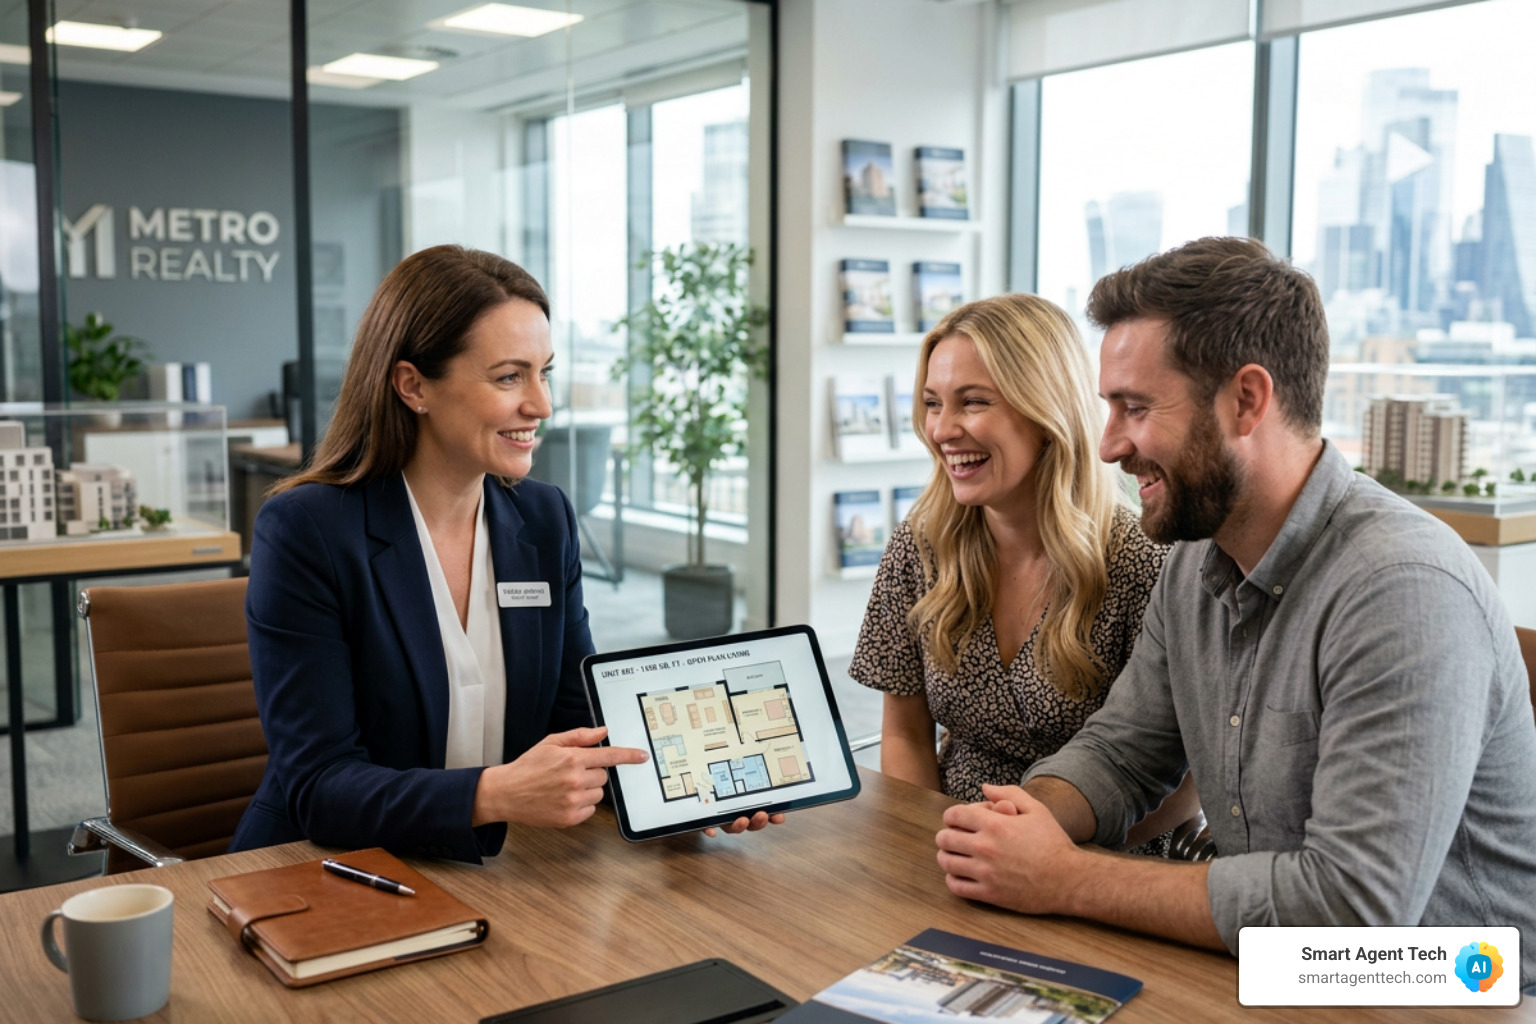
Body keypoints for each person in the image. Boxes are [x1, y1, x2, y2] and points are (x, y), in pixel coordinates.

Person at [935, 237, 1536, 989]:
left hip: (1448, 988)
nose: (1110, 445)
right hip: (1273, 972)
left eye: (1135, 408)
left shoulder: (1403, 589)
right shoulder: (1194, 560)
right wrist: (1019, 826)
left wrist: (1065, 878)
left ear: (1248, 400)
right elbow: (1122, 753)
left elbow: (1355, 915)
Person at [231, 245, 775, 863]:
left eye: (545, 373)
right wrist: (493, 794)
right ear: (413, 386)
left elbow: (577, 723)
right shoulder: (308, 530)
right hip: (328, 868)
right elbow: (320, 786)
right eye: (510, 377)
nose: (541, 405)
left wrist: (686, 788)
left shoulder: (543, 519)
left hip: (495, 867)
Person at [849, 293, 1196, 851]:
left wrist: (1050, 862)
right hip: (953, 841)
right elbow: (906, 734)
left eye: (973, 402)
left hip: (1102, 858)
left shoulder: (1146, 562)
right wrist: (933, 849)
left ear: (1046, 410)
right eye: (933, 403)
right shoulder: (921, 545)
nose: (942, 430)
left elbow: (1186, 781)